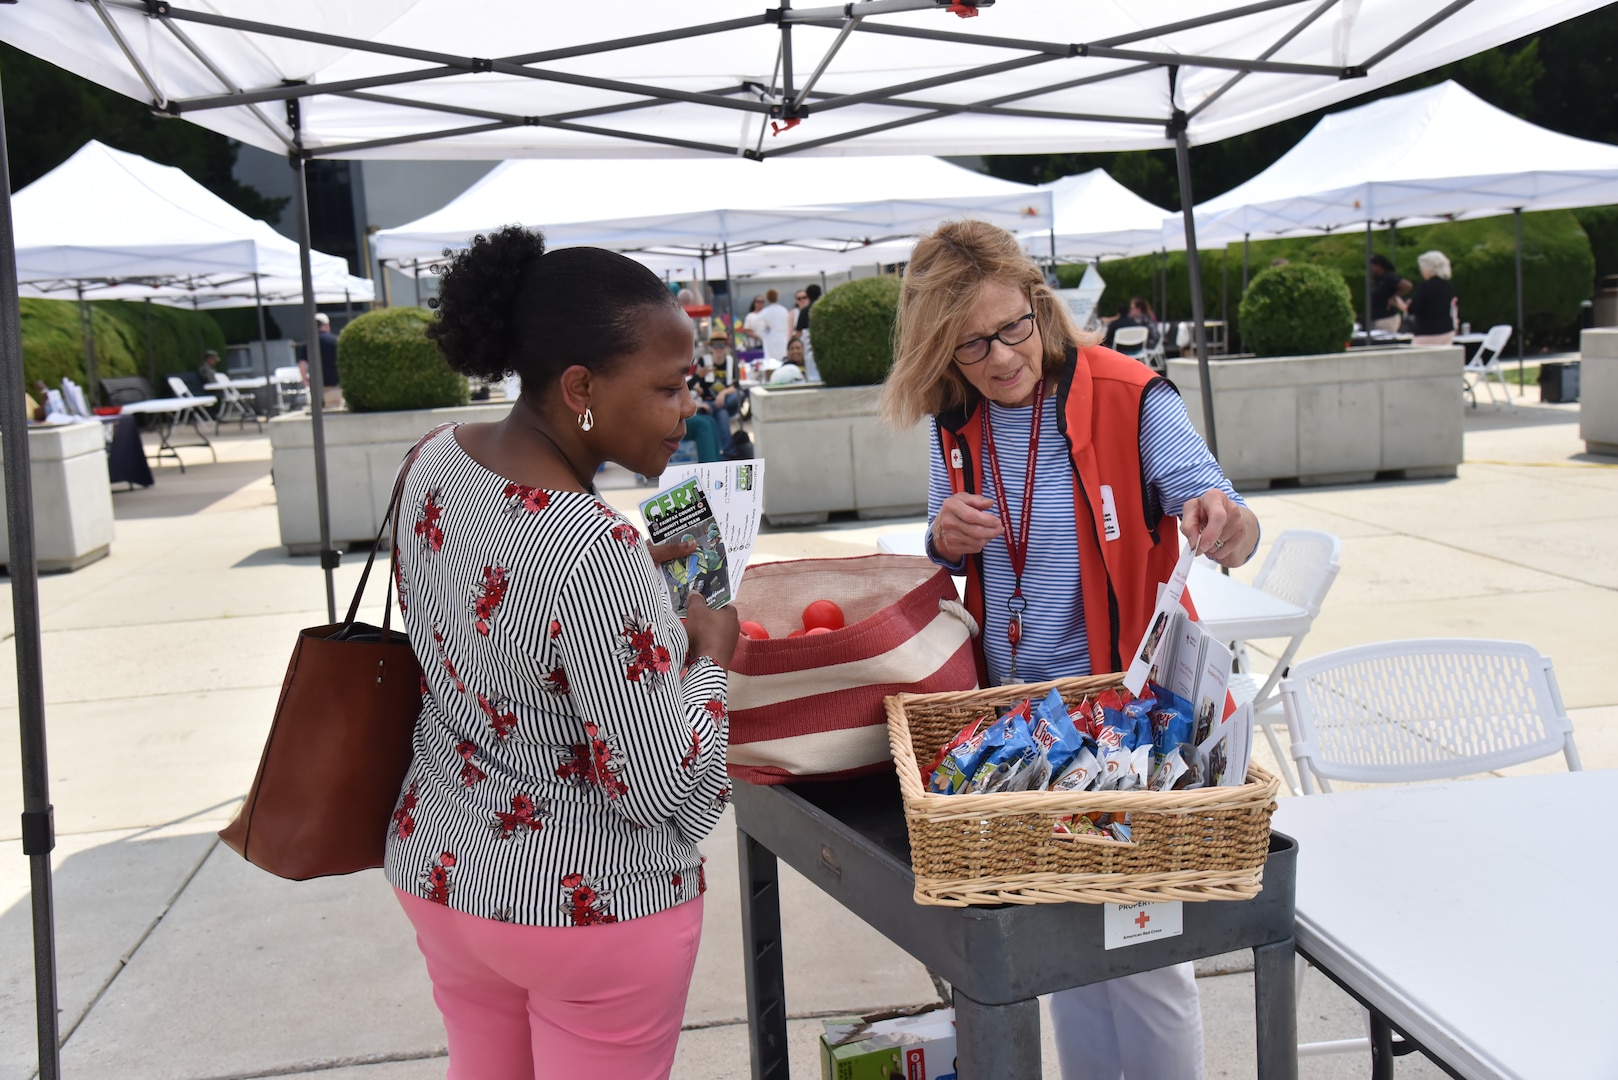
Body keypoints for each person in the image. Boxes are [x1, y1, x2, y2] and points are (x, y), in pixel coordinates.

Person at [880, 220, 1259, 1080]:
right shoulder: (956, 421)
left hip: (1128, 732)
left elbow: (1217, 502)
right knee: (1063, 956)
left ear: (1038, 303)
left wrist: (1227, 522)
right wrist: (944, 536)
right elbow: (945, 541)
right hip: (1022, 733)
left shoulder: (1130, 395)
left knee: (1146, 957)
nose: (1003, 357)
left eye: (1013, 327)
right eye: (972, 345)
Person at [386, 225, 739, 1077]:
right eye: (667, 387)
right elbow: (667, 791)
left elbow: (488, 616)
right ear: (580, 387)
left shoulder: (433, 458)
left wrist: (633, 589)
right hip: (588, 910)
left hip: (443, 870)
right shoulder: (591, 552)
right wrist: (716, 658)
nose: (686, 408)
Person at [1404, 250, 1457, 346]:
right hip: (1446, 330)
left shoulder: (1426, 286)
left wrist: (1401, 303)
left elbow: (1412, 309)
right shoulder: (1447, 285)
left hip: (1427, 332)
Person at [297, 313, 343, 410]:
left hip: (316, 387)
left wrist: (305, 381)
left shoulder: (307, 343)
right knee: (334, 416)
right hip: (334, 385)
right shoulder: (336, 341)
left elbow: (302, 364)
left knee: (319, 416)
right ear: (326, 325)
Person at [1368, 254, 1411, 334]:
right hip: (1377, 318)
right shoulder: (1378, 280)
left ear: (1378, 266)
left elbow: (1407, 285)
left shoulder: (1388, 277)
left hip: (1387, 318)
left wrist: (1394, 297)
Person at [757, 288, 792, 361]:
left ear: (767, 299)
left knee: (771, 361)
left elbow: (758, 326)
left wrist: (765, 333)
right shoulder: (784, 310)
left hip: (771, 340)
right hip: (784, 340)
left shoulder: (765, 312)